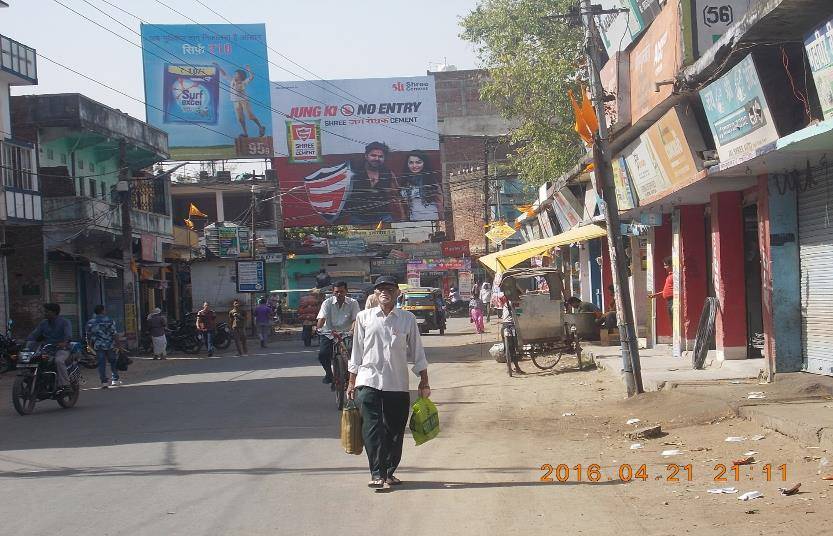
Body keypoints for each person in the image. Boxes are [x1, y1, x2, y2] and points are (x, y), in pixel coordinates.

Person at [347, 275, 430, 490]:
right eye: (380, 289)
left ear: (397, 293)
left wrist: (424, 381)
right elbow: (356, 354)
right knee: (372, 428)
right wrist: (351, 382)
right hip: (368, 380)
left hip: (397, 382)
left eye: (390, 289)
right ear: (374, 294)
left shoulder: (407, 319)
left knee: (395, 430)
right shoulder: (364, 318)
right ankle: (377, 473)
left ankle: (389, 471)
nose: (385, 292)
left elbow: (417, 352)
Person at [345, 142, 406, 225]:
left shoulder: (388, 173)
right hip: (358, 218)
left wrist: (403, 218)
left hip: (383, 217)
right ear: (366, 156)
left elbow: (396, 196)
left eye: (381, 156)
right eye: (373, 155)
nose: (377, 158)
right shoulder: (354, 172)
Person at [316, 281, 360, 384]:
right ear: (333, 292)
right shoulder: (327, 302)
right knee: (323, 354)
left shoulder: (353, 303)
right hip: (329, 332)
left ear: (346, 291)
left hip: (346, 333)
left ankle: (351, 373)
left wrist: (352, 330)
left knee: (351, 351)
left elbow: (355, 320)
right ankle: (328, 374)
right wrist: (318, 329)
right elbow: (322, 318)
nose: (339, 294)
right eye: (336, 292)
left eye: (341, 291)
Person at [28, 303, 72, 393]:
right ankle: (35, 381)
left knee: (59, 361)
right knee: (32, 359)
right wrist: (27, 342)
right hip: (47, 350)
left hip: (61, 350)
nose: (45, 313)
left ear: (54, 312)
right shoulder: (43, 323)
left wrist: (64, 342)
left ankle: (66, 385)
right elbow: (34, 335)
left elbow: (68, 335)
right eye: (45, 311)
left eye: (47, 312)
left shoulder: (65, 322)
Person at [216, 63, 266, 138]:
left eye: (236, 74)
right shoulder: (232, 81)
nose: (234, 75)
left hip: (244, 101)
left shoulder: (244, 82)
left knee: (250, 116)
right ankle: (245, 133)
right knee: (240, 119)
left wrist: (249, 70)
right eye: (235, 74)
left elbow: (252, 77)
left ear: (240, 76)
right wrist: (219, 67)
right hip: (235, 101)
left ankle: (260, 127)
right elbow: (224, 75)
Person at [400, 150, 441, 221]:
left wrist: (441, 221)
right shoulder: (404, 181)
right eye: (411, 162)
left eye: (418, 162)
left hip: (432, 219)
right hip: (414, 220)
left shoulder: (431, 180)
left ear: (424, 163)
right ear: (407, 164)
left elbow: (440, 202)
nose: (414, 166)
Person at [86, 305, 120, 388]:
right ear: (103, 311)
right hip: (109, 345)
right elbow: (114, 333)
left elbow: (88, 335)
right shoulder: (109, 320)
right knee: (113, 361)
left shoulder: (90, 322)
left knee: (101, 364)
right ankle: (115, 379)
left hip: (98, 346)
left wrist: (89, 345)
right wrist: (118, 344)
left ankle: (104, 382)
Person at [650, 257, 674, 322]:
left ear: (671, 265)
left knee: (674, 319)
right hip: (669, 301)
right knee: (671, 319)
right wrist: (657, 294)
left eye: (666, 265)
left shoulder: (674, 276)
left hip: (673, 300)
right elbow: (668, 289)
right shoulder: (669, 276)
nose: (665, 267)